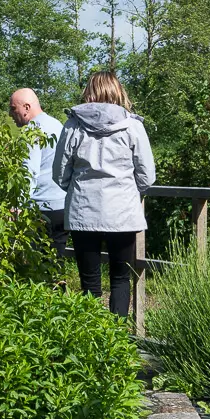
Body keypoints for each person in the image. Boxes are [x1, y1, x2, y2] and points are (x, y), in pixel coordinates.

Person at [52, 71, 155, 318]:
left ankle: (91, 343)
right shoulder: (133, 126)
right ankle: (117, 341)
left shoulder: (73, 126)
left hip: (83, 212)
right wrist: (130, 190)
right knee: (120, 278)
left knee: (89, 283)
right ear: (117, 91)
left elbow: (59, 174)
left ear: (89, 91)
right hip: (122, 214)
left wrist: (79, 189)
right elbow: (147, 175)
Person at [9, 88, 70, 262]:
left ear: (26, 107)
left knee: (41, 265)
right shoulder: (57, 124)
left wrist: (18, 204)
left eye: (13, 109)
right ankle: (60, 288)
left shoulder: (33, 130)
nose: (10, 114)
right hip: (62, 204)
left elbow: (29, 170)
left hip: (42, 207)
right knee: (56, 260)